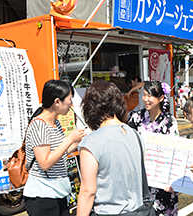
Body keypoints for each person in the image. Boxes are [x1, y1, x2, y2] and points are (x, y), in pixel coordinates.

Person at [77, 81, 144, 216]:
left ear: (90, 108)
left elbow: (88, 192)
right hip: (138, 211)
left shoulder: (90, 142)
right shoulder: (135, 135)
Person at [23, 80, 86, 216]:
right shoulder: (39, 125)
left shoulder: (55, 122)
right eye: (69, 99)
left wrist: (79, 141)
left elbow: (58, 153)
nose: (71, 104)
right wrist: (69, 139)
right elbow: (45, 163)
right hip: (42, 195)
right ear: (57, 102)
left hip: (58, 192)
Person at [128, 81, 179, 216]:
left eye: (149, 96)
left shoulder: (169, 121)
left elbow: (176, 151)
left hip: (163, 180)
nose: (145, 99)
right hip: (142, 180)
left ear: (161, 98)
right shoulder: (136, 118)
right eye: (144, 95)